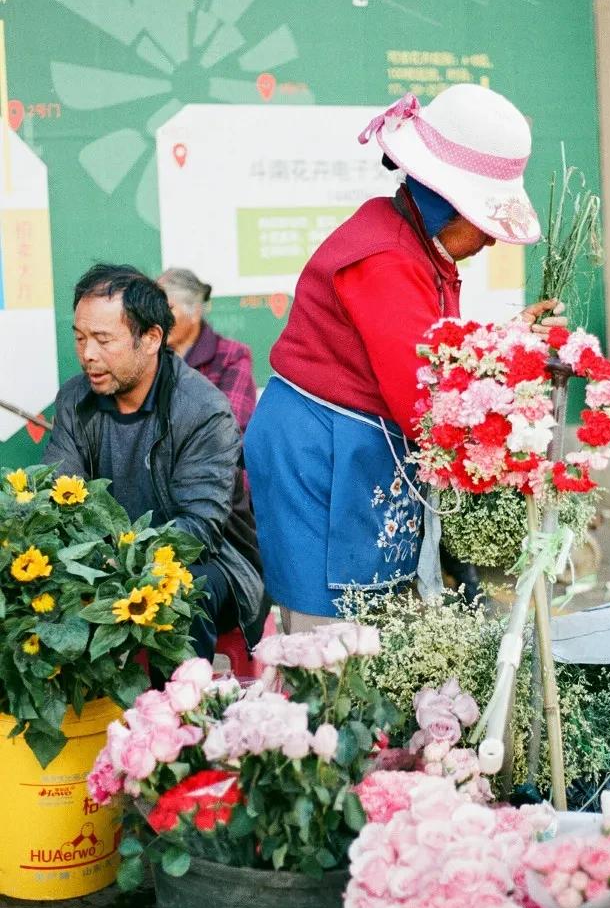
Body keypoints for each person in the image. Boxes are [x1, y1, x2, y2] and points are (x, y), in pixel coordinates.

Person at [244, 84, 563, 633]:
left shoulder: (408, 238)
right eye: (484, 222)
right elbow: (425, 401)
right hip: (322, 450)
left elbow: (427, 345)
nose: (492, 239)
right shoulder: (387, 257)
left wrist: (507, 342)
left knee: (364, 623)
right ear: (448, 200)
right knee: (328, 634)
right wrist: (510, 409)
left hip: (347, 438)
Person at [45, 263, 268, 658]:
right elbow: (62, 504)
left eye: (102, 339)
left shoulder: (202, 409)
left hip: (215, 563)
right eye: (79, 338)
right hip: (107, 558)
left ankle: (177, 713)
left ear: (150, 338)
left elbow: (197, 530)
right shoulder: (75, 400)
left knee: (180, 589)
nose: (87, 354)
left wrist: (117, 558)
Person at [158, 267, 257, 434]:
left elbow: (229, 428)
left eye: (167, 308)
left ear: (195, 312)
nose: (157, 317)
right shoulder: (149, 356)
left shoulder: (232, 356)